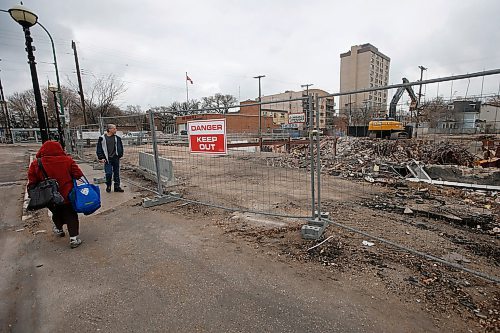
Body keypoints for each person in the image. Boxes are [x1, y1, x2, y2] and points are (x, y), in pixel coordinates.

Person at [27, 141, 84, 248]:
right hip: (67, 194)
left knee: (56, 212)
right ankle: (74, 238)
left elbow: (32, 181)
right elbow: (78, 174)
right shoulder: (67, 160)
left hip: (49, 196)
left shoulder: (36, 163)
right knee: (71, 214)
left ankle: (59, 229)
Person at [96, 123, 124, 193]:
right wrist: (101, 157)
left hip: (115, 158)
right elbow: (99, 149)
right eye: (114, 128)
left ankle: (117, 187)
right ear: (109, 129)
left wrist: (119, 155)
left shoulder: (117, 138)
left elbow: (120, 147)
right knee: (108, 173)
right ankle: (108, 185)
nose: (116, 130)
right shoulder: (102, 138)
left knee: (116, 173)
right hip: (107, 159)